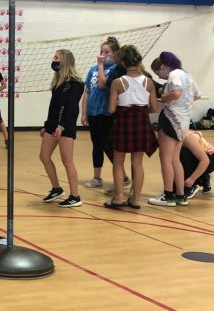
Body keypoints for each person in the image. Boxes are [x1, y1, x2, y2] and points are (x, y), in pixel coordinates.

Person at [104, 45, 158, 210]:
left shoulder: (117, 82)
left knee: (118, 162)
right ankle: (135, 200)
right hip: (141, 122)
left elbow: (111, 109)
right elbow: (154, 108)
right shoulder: (148, 81)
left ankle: (119, 198)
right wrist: (141, 111)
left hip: (123, 122)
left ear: (122, 62)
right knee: (137, 162)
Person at [148, 51, 200, 207]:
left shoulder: (174, 74)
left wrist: (164, 97)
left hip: (171, 119)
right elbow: (196, 95)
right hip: (184, 120)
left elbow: (176, 93)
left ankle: (168, 195)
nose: (160, 77)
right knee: (175, 159)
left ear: (164, 66)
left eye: (159, 73)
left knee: (165, 158)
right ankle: (180, 195)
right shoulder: (187, 75)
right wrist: (184, 103)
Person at [39, 49, 84, 207]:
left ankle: (75, 196)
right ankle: (56, 188)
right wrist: (47, 125)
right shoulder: (58, 81)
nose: (54, 60)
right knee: (44, 156)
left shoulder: (76, 83)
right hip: (52, 124)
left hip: (66, 125)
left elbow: (71, 107)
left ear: (65, 61)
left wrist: (62, 125)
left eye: (57, 58)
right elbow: (54, 107)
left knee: (67, 160)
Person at [81, 36, 120, 188]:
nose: (102, 54)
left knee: (110, 145)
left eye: (106, 52)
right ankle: (97, 178)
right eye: (101, 51)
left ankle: (121, 176)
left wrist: (100, 65)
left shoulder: (116, 70)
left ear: (115, 54)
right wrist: (84, 113)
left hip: (107, 114)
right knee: (97, 144)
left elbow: (103, 85)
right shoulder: (93, 69)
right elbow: (87, 92)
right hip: (93, 113)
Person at [181, 129, 214, 197]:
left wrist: (192, 179)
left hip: (210, 159)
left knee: (182, 154)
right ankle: (204, 178)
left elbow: (205, 160)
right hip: (204, 158)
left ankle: (194, 184)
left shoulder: (187, 138)